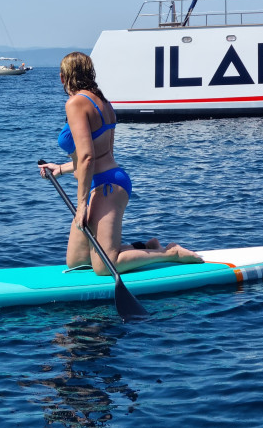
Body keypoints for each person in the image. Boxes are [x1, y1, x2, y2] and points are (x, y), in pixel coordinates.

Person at [39, 51, 202, 275]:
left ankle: (170, 253)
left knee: (106, 265)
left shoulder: (75, 103)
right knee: (76, 261)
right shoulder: (104, 103)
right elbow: (100, 153)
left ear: (62, 77)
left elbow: (87, 157)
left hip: (106, 185)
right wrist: (61, 169)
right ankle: (146, 247)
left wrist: (82, 205)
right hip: (109, 178)